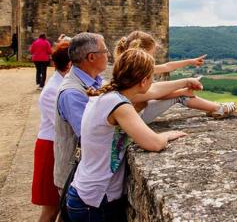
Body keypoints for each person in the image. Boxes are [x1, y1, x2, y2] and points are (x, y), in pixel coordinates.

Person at [54, 33, 203, 190]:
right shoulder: (73, 93)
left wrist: (183, 84)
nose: (109, 55)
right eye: (104, 51)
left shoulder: (98, 84)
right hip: (83, 182)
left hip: (89, 184)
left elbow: (149, 92)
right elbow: (89, 137)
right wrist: (163, 135)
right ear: (91, 57)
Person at [65, 49, 186, 221]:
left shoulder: (107, 95)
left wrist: (184, 83)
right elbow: (154, 143)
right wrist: (167, 135)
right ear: (143, 81)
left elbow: (155, 91)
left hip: (87, 194)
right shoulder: (118, 104)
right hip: (95, 201)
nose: (153, 81)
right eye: (152, 77)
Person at [114, 31, 237, 122]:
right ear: (142, 53)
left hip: (132, 115)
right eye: (151, 55)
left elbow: (167, 67)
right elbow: (150, 93)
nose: (153, 59)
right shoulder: (136, 73)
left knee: (179, 94)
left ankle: (216, 108)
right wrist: (183, 87)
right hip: (133, 119)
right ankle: (218, 109)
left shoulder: (126, 68)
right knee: (180, 96)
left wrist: (191, 61)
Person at [31, 41, 71, 222]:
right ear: (69, 65)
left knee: (64, 207)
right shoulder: (52, 90)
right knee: (51, 209)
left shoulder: (62, 84)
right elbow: (63, 125)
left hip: (60, 148)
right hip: (50, 149)